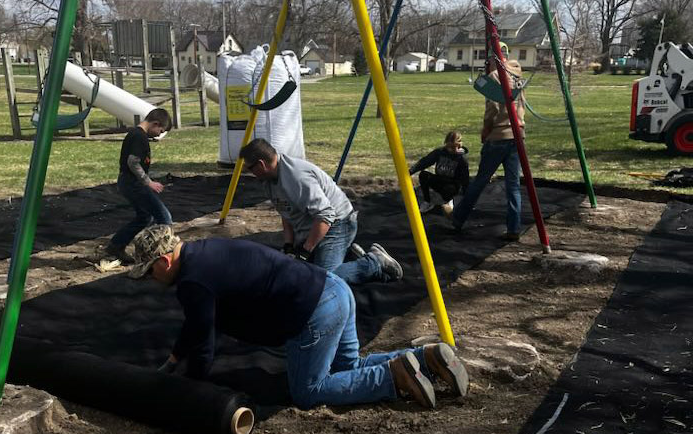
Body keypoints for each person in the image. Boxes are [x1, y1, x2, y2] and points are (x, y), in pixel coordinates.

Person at [129, 225, 470, 410]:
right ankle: (423, 359)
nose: (150, 280)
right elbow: (195, 323)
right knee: (345, 369)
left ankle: (391, 378)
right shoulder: (205, 252)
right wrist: (174, 358)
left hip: (314, 311)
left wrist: (191, 390)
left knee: (309, 391)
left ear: (163, 261)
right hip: (334, 287)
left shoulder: (191, 281)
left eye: (148, 273)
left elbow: (204, 341)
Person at [239, 138, 403, 285]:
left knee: (323, 280)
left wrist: (306, 250)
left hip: (338, 224)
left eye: (250, 168)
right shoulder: (268, 180)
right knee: (300, 272)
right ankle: (350, 258)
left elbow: (326, 216)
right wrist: (289, 245)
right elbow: (286, 212)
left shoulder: (297, 178)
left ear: (261, 164)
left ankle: (374, 262)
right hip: (314, 226)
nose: (250, 173)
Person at [451, 59, 525, 241]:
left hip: (499, 135)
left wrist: (486, 130)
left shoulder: (495, 77)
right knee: (513, 185)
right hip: (517, 135)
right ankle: (514, 227)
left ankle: (458, 218)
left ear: (494, 60)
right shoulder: (517, 76)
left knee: (480, 181)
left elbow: (492, 109)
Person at [103, 108, 173, 263]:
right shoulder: (139, 137)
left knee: (144, 217)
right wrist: (148, 182)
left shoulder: (137, 135)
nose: (159, 135)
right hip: (132, 183)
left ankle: (116, 245)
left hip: (128, 182)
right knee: (164, 217)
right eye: (160, 131)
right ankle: (162, 255)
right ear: (155, 123)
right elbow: (132, 162)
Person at [409, 130, 470, 215]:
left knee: (449, 189)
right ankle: (427, 201)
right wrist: (411, 171)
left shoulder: (462, 159)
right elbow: (426, 161)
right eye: (450, 147)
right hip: (440, 179)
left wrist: (467, 199)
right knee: (424, 175)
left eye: (454, 147)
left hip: (452, 184)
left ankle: (448, 200)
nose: (452, 150)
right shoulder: (440, 152)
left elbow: (465, 178)